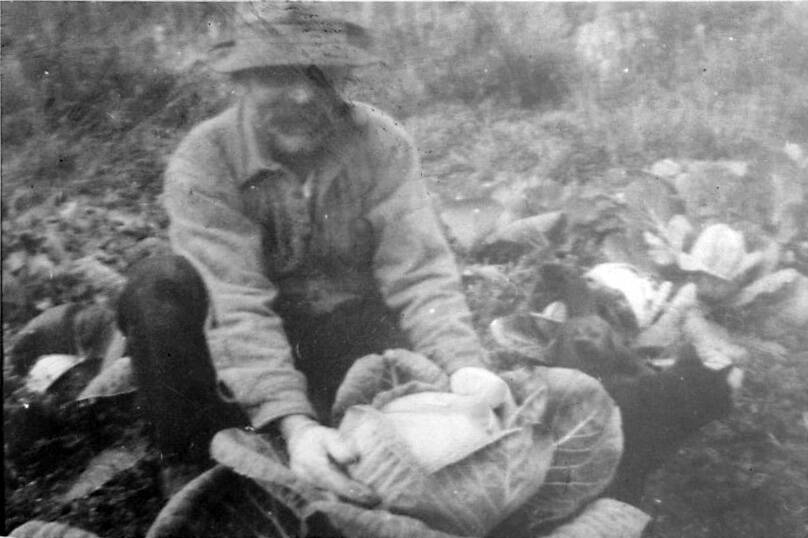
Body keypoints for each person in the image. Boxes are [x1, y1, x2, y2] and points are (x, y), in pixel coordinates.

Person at [117, 12, 511, 502]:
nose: (303, 95)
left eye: (320, 75)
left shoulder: (382, 143)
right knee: (158, 287)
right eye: (277, 75)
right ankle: (190, 470)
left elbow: (421, 275)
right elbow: (236, 302)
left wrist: (463, 366)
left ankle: (336, 433)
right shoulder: (205, 158)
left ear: (344, 79)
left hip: (340, 332)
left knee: (410, 432)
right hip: (238, 348)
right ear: (241, 80)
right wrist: (295, 424)